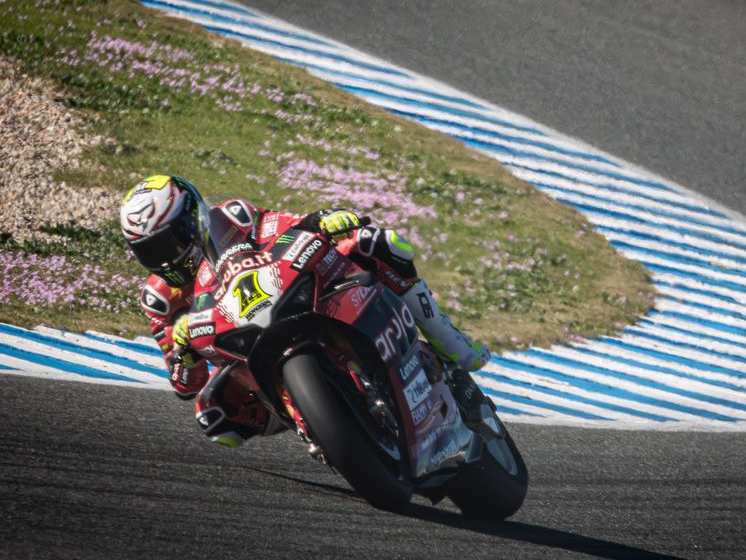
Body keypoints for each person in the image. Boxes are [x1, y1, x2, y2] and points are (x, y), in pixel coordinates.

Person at [120, 174, 491, 447]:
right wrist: (183, 350)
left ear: (191, 219)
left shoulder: (232, 217)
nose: (167, 258)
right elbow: (185, 384)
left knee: (378, 244)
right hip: (240, 349)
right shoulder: (160, 298)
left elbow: (286, 225)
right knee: (216, 417)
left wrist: (323, 220)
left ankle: (450, 343)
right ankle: (313, 423)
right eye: (151, 252)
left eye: (170, 242)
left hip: (289, 293)